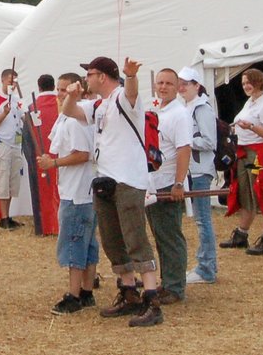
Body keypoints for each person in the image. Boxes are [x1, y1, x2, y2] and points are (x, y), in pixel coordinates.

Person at [72, 55, 163, 327]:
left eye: (90, 74)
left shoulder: (123, 97)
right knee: (112, 241)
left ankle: (152, 300)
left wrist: (131, 75)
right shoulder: (97, 105)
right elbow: (69, 111)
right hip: (106, 179)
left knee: (135, 238)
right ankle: (128, 292)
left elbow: (132, 92)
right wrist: (71, 95)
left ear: (102, 76)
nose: (86, 78)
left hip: (128, 179)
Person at [34, 72, 97, 314]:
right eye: (58, 90)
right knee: (88, 242)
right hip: (81, 190)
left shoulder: (74, 120)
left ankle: (74, 295)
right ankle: (87, 291)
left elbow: (82, 154)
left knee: (74, 242)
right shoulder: (68, 117)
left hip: (78, 191)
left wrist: (54, 163)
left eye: (64, 90)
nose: (60, 94)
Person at [221, 68, 263, 256]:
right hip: (245, 151)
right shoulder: (251, 102)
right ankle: (242, 233)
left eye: (249, 82)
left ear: (259, 82)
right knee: (245, 193)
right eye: (243, 83)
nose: (246, 86)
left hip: (261, 152)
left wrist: (251, 127)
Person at [147, 68, 192, 304]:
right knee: (160, 236)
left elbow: (184, 149)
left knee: (171, 236)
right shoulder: (159, 112)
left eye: (168, 84)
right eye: (160, 83)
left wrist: (178, 182)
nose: (163, 87)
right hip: (154, 184)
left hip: (167, 183)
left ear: (177, 87)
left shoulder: (179, 114)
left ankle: (175, 286)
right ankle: (168, 281)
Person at [179, 67, 219, 286]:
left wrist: (184, 142)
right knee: (200, 219)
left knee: (203, 219)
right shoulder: (187, 107)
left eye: (187, 83)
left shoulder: (201, 108)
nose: (182, 87)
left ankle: (206, 268)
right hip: (192, 169)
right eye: (181, 83)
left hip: (200, 169)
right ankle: (206, 265)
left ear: (197, 85)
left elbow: (209, 141)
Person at [0, 68, 26, 229]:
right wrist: (3, 114)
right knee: (2, 180)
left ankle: (8, 215)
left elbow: (24, 116)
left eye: (15, 81)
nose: (12, 84)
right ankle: (3, 217)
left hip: (16, 144)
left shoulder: (17, 100)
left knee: (12, 181)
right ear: (3, 80)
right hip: (2, 144)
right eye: (10, 81)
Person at [30, 74, 61, 236]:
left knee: (42, 189)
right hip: (60, 156)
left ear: (39, 87)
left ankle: (46, 226)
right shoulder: (61, 104)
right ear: (54, 86)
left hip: (39, 155)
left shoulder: (33, 107)